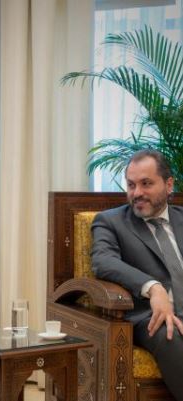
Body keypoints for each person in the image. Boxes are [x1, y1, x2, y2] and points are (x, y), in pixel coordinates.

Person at [92, 149, 183, 400]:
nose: (137, 193)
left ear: (169, 185)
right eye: (131, 185)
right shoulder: (111, 222)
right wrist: (153, 287)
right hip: (151, 316)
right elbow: (103, 261)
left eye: (146, 184)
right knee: (169, 333)